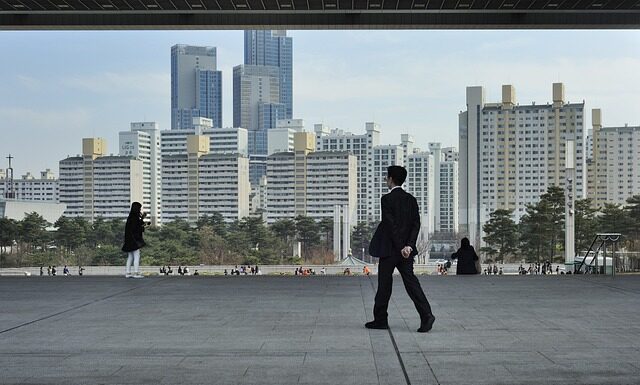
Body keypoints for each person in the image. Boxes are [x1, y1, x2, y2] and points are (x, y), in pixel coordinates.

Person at [367, 165, 435, 333]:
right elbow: (416, 224)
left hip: (390, 250)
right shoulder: (411, 200)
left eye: (386, 177)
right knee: (411, 283)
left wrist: (400, 247)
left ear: (391, 179)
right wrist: (409, 246)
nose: (385, 180)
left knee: (384, 284)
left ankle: (381, 319)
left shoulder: (386, 199)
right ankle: (426, 315)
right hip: (406, 251)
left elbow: (390, 225)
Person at [121, 201, 146, 278]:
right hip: (134, 240)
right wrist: (143, 225)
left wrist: (142, 218)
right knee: (137, 256)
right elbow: (137, 228)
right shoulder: (135, 218)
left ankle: (128, 273)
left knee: (130, 256)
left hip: (129, 240)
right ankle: (136, 273)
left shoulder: (130, 217)